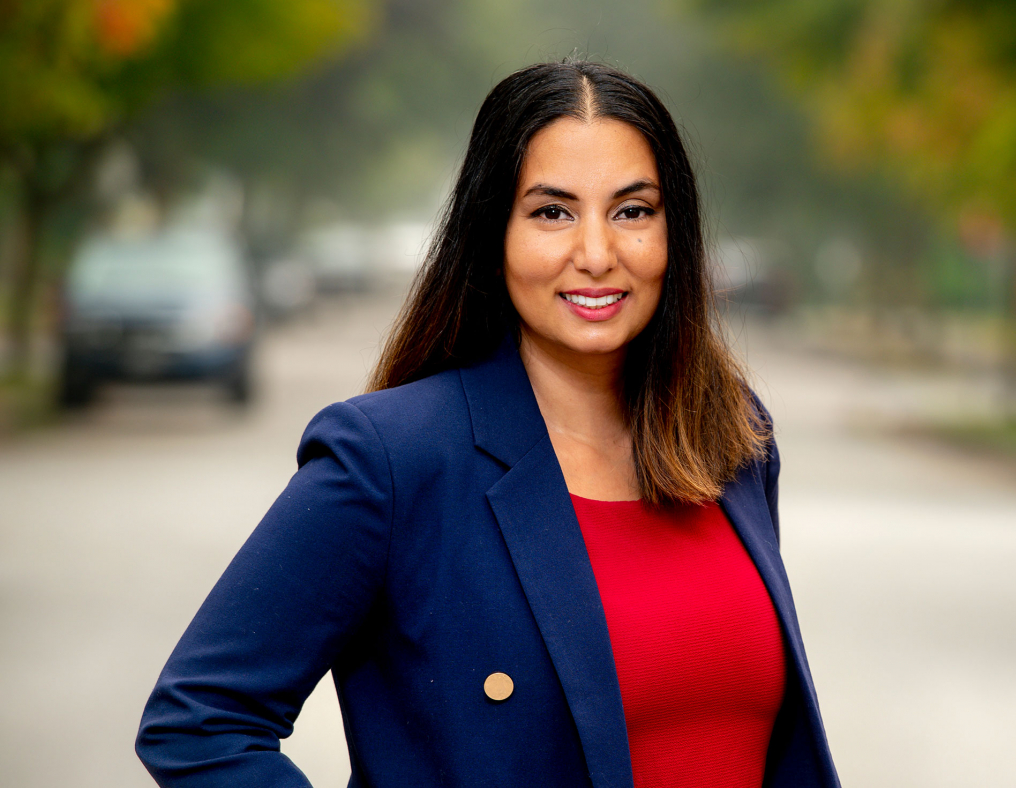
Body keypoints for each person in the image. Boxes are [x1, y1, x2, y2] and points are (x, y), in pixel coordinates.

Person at [135, 60, 841, 788]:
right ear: (492, 233)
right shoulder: (392, 460)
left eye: (633, 211)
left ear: (675, 234)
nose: (596, 254)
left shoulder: (729, 437)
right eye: (551, 212)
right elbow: (201, 721)